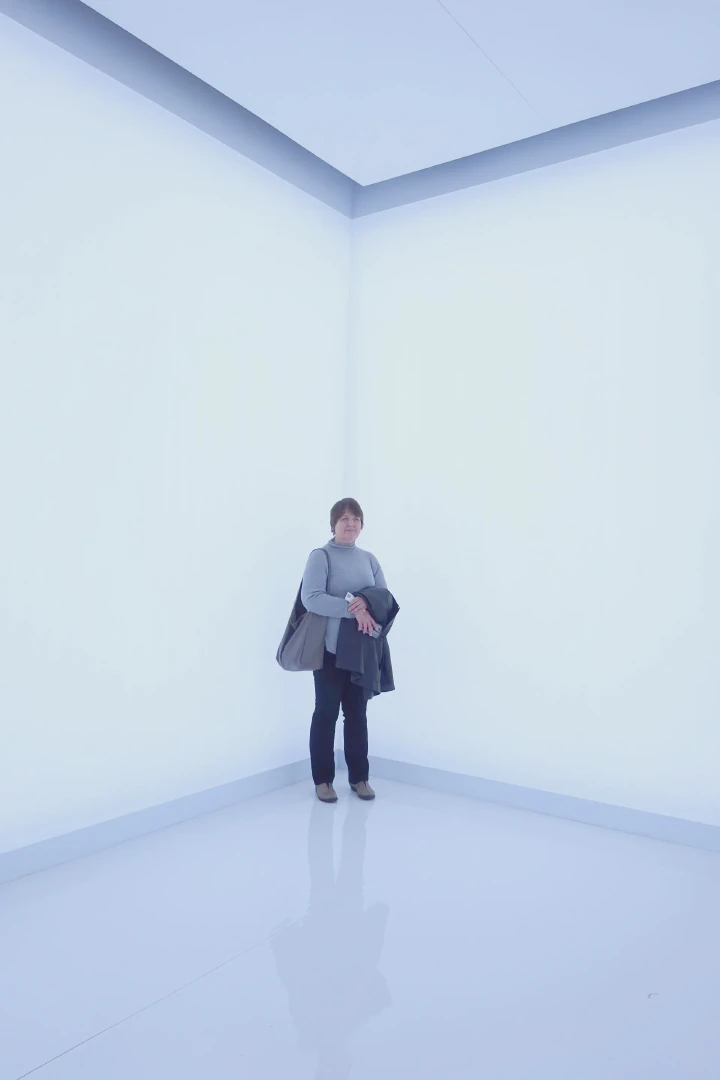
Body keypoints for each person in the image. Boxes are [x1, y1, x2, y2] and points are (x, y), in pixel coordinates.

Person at [301, 499, 388, 804]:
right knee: (326, 714)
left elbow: (383, 597)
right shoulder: (321, 556)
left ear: (361, 525)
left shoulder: (369, 559)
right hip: (330, 652)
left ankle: (359, 778)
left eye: (355, 519)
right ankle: (323, 780)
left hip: (362, 652)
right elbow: (312, 598)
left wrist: (366, 602)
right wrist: (354, 609)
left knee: (357, 716)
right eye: (344, 518)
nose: (350, 523)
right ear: (333, 524)